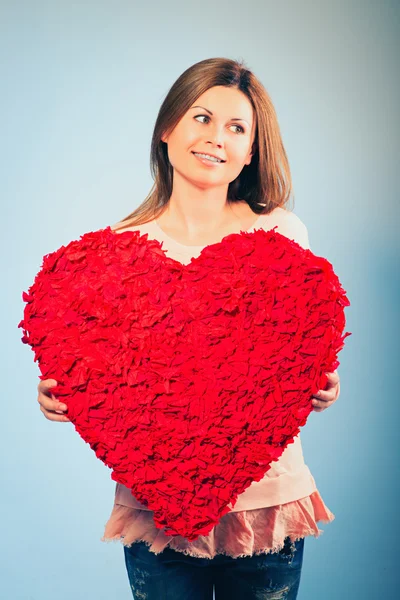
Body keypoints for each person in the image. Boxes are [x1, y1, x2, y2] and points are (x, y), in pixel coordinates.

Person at [35, 57, 341, 599]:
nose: (215, 138)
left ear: (251, 151)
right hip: (155, 514)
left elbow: (303, 346)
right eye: (201, 117)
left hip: (267, 506)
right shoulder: (112, 254)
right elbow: (98, 364)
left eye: (236, 127)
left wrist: (321, 383)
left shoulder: (282, 235)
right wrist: (64, 389)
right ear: (167, 128)